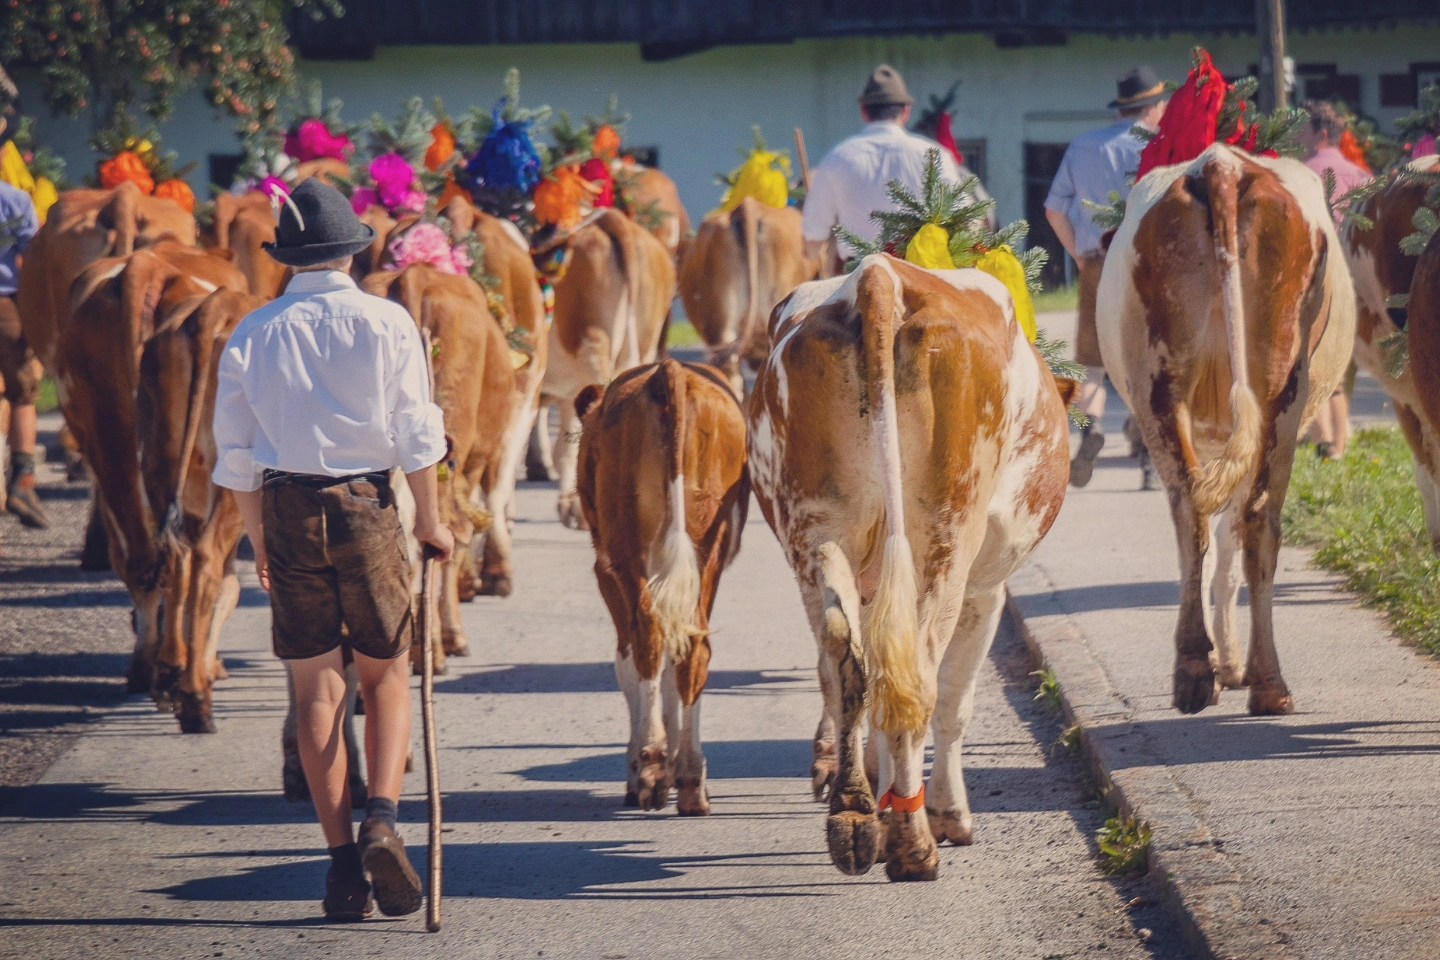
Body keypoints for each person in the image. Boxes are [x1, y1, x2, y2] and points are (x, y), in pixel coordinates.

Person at [211, 179, 454, 921]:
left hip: (285, 505)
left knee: (316, 688)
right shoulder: (387, 323)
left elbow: (235, 456)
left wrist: (258, 538)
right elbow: (417, 432)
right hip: (366, 505)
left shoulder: (253, 332)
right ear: (354, 249)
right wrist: (431, 523)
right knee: (385, 676)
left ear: (287, 258)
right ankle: (382, 815)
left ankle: (343, 865)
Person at [1045, 66, 1169, 491]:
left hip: (1098, 258)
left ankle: (1091, 429)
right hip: (1150, 260)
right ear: (1152, 107)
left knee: (1093, 364)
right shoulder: (1162, 144)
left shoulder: (1083, 147)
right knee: (1149, 361)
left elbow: (1053, 210)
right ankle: (1150, 461)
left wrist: (1079, 256)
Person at [803, 64, 994, 270]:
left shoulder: (836, 158)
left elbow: (813, 236)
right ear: (906, 112)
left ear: (864, 112)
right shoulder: (934, 154)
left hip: (857, 279)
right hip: (921, 276)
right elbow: (965, 222)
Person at [1301, 100, 1370, 462]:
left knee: (1310, 363)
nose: (1299, 138)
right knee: (1339, 368)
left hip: (1315, 277)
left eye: (1304, 132)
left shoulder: (1301, 173)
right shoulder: (1361, 176)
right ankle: (1338, 448)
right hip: (1354, 280)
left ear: (1321, 133)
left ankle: (1323, 442)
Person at [0, 115, 48, 530]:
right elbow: (33, 255)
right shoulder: (15, 201)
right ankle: (22, 477)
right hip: (7, 307)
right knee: (23, 394)